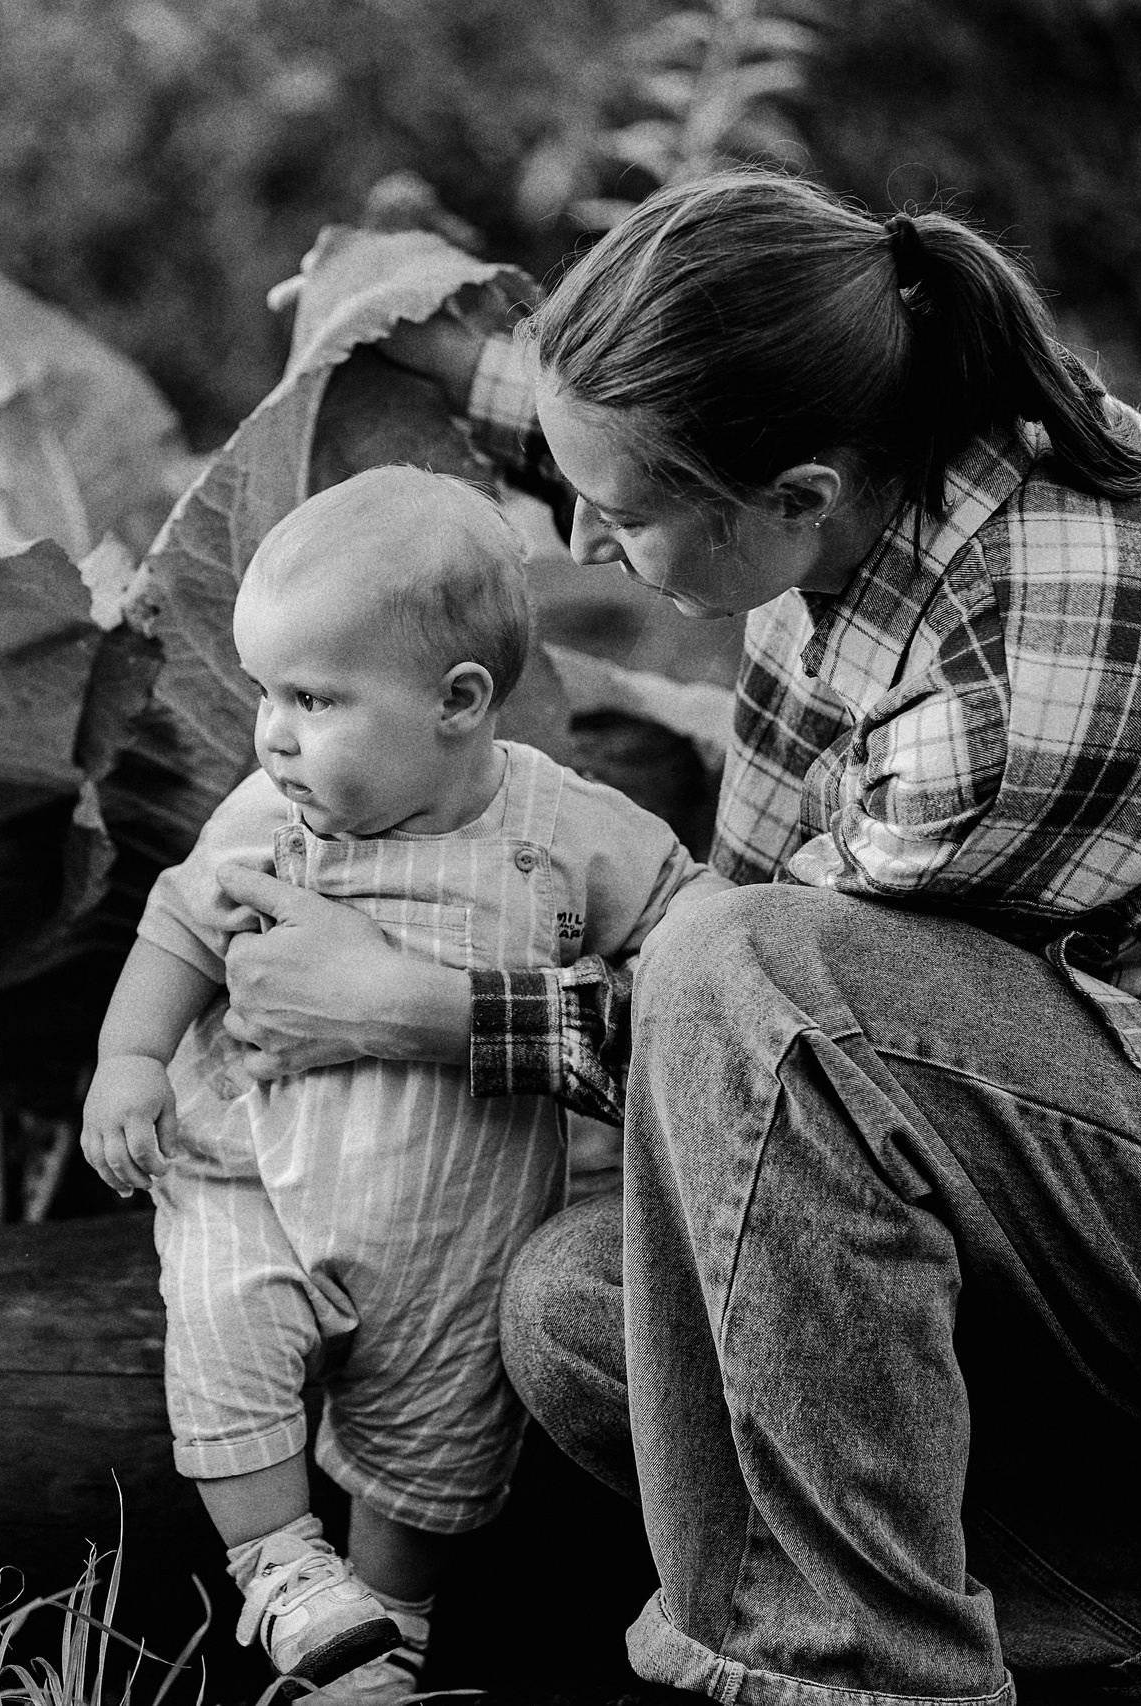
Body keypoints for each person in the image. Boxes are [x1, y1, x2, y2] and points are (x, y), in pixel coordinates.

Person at [204, 171, 1141, 1706]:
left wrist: (413, 1007)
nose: (592, 548)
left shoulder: (1014, 679)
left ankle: (854, 1678)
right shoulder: (900, 436)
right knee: (579, 1317)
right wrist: (392, 323)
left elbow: (764, 1031)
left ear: (798, 497)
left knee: (749, 971)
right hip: (1127, 1150)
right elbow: (651, 463)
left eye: (618, 520)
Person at [81, 467, 719, 1703]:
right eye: (267, 690)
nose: (272, 730)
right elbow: (180, 926)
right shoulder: (269, 813)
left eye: (314, 698)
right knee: (223, 1331)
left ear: (458, 702)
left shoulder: (563, 828)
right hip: (252, 1180)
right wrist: (129, 1059)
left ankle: (385, 1641)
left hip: (457, 1234)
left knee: (428, 1444)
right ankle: (276, 1565)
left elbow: (686, 924)